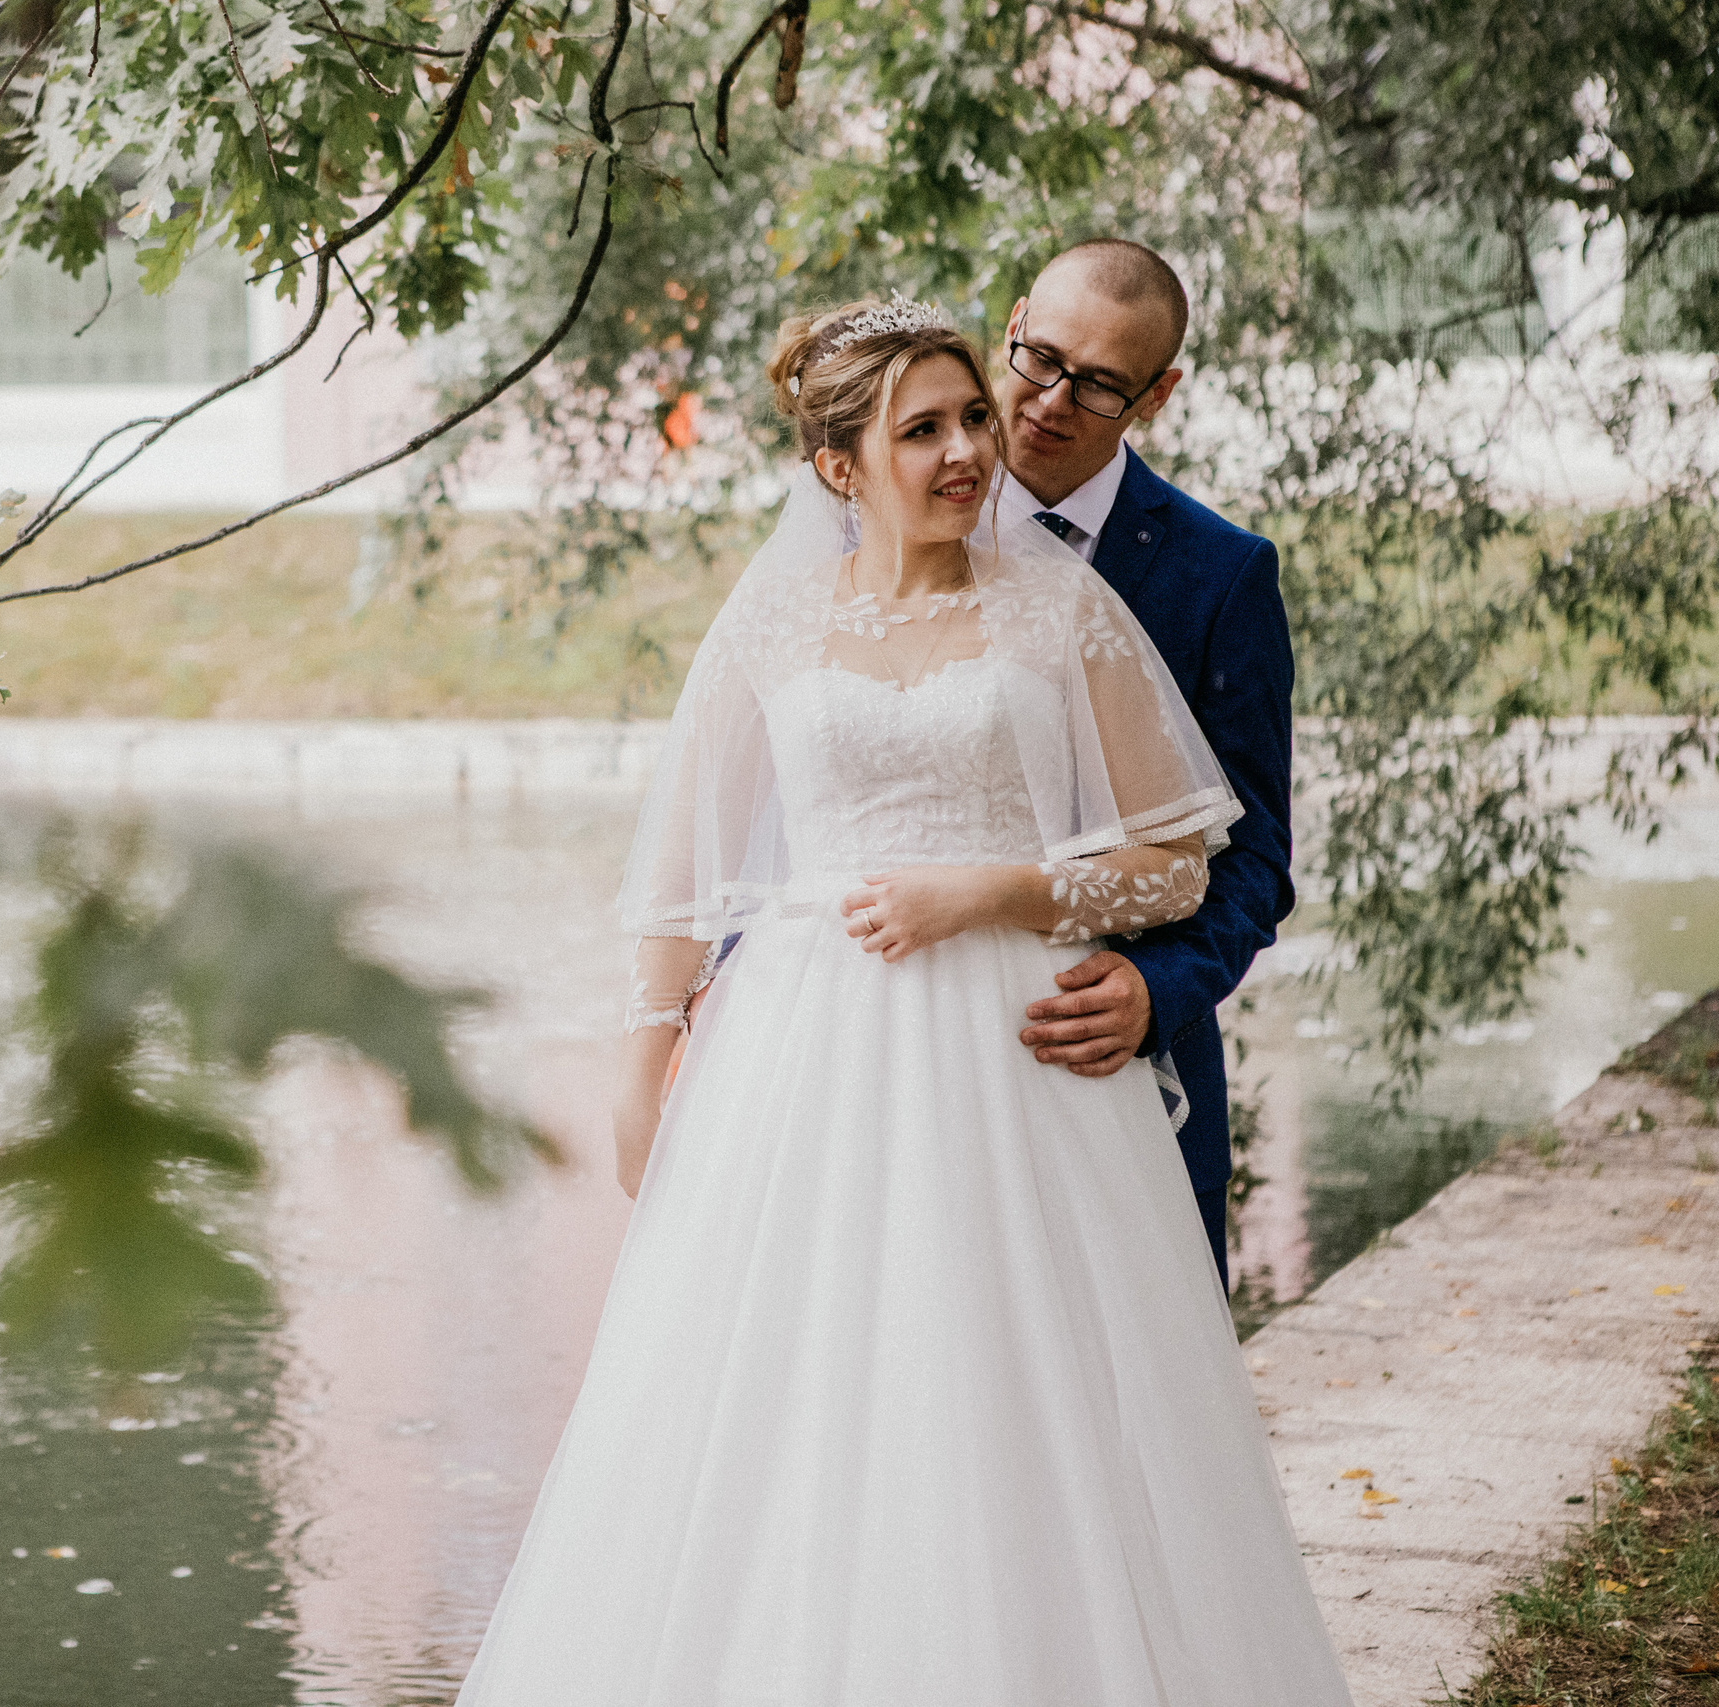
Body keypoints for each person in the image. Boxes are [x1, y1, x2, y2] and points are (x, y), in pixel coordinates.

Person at [453, 300, 1351, 1703]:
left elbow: (1177, 863)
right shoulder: (777, 620)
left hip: (1014, 1054)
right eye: (921, 428)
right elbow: (690, 858)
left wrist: (992, 892)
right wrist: (647, 1057)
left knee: (1011, 1393)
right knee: (786, 1392)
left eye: (970, 419)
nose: (964, 450)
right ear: (836, 465)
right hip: (799, 1055)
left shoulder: (1058, 606)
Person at [998, 240, 1296, 1290]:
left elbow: (1256, 861)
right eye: (1039, 358)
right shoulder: (879, 529)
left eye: (1098, 386)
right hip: (917, 1061)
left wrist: (1155, 984)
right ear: (1013, 321)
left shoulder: (1223, 576)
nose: (1048, 402)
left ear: (1156, 396)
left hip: (1126, 1064)